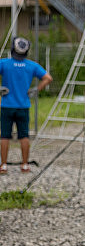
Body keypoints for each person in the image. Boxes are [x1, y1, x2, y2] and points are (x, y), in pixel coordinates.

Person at [0, 37, 53, 175]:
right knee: (24, 136)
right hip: (23, 105)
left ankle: (4, 165)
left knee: (5, 136)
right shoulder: (32, 66)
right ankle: (24, 165)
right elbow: (48, 78)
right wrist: (36, 89)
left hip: (7, 105)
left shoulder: (4, 63)